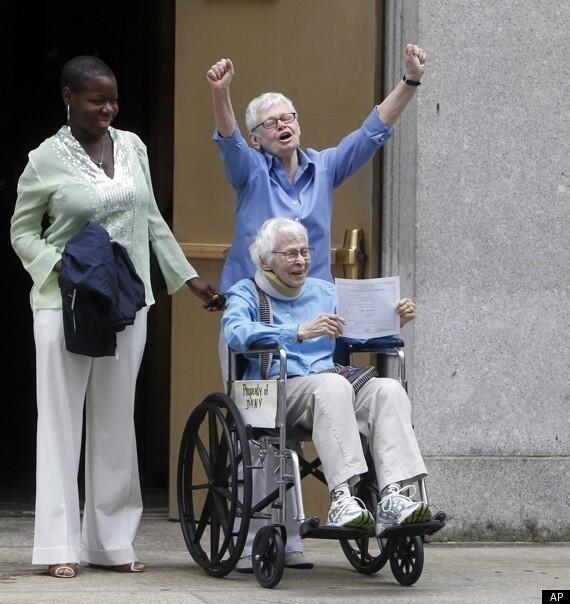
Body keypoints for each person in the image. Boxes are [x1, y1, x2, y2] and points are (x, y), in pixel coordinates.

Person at [207, 43, 427, 568]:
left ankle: (397, 495)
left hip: (316, 316)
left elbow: (371, 132)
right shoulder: (251, 171)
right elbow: (229, 138)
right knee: (259, 434)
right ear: (260, 136)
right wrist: (222, 93)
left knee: (373, 386)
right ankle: (266, 534)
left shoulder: (323, 168)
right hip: (259, 312)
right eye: (272, 121)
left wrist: (411, 82)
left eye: (290, 117)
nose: (284, 125)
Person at [10, 55, 224, 579]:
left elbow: (150, 220)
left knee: (114, 422)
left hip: (128, 302)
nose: (107, 108)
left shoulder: (132, 147)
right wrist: (58, 266)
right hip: (67, 305)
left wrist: (188, 280)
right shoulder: (44, 159)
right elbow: (22, 231)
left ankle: (109, 542)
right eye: (96, 99)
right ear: (68, 97)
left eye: (113, 99)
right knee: (61, 422)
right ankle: (58, 545)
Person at [222, 218, 430, 538]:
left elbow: (360, 331)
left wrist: (393, 320)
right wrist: (296, 332)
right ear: (265, 260)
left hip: (330, 384)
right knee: (333, 386)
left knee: (387, 390)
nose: (301, 260)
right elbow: (235, 333)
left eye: (305, 252)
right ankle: (343, 498)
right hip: (279, 387)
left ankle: (394, 495)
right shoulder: (246, 293)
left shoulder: (324, 291)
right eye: (290, 254)